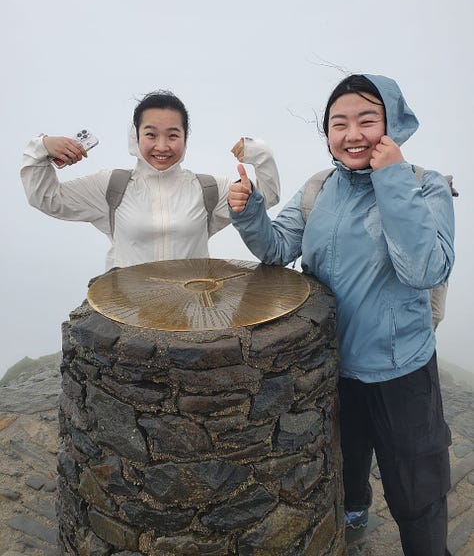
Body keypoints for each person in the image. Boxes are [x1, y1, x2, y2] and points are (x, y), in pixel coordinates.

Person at [228, 74, 454, 556]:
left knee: (417, 484)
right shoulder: (318, 189)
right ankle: (353, 520)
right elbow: (278, 247)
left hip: (402, 370)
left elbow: (424, 269)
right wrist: (250, 213)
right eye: (339, 123)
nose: (353, 134)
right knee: (347, 461)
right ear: (327, 133)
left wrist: (390, 178)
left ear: (393, 124)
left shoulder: (424, 186)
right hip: (331, 365)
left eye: (367, 120)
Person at [21, 91, 280, 270]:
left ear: (185, 138)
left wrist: (260, 154)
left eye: (173, 135)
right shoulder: (111, 186)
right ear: (135, 136)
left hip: (189, 317)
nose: (162, 146)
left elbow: (267, 197)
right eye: (151, 134)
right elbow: (46, 199)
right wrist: (41, 147)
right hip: (127, 321)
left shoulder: (208, 189)